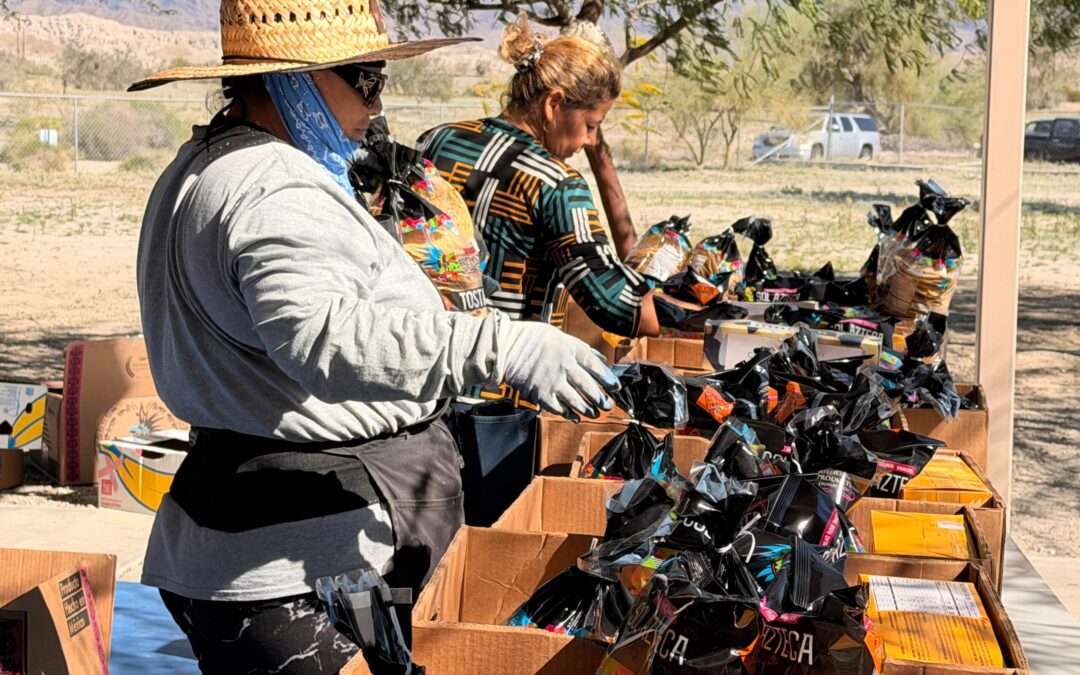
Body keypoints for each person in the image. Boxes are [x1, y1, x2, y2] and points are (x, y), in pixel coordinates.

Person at [127, 0, 617, 671]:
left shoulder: (210, 162)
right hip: (290, 568)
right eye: (365, 78)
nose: (377, 102)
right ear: (291, 78)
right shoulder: (275, 189)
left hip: (253, 543)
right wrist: (507, 346)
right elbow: (331, 340)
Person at [417, 17, 659, 527]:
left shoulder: (437, 142)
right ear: (553, 105)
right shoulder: (555, 183)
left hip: (425, 379)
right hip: (497, 398)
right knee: (483, 533)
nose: (590, 142)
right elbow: (616, 306)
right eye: (591, 125)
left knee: (429, 533)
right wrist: (664, 273)